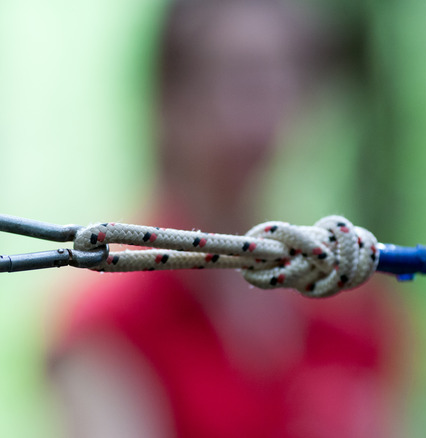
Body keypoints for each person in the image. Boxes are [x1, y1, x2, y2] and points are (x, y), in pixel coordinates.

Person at [48, 1, 404, 437]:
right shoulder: (110, 321)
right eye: (235, 75)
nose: (260, 109)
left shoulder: (352, 316)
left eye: (284, 74)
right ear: (168, 97)